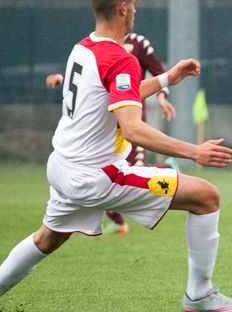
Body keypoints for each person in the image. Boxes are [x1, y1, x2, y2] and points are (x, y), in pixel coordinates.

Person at [0, 0, 232, 312]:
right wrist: (194, 151)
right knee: (206, 196)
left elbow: (114, 96)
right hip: (99, 175)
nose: (136, 13)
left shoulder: (83, 47)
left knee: (47, 238)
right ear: (123, 9)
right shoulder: (121, 58)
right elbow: (133, 128)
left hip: (63, 166)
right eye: (136, 6)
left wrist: (165, 79)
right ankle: (200, 295)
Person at [46, 32, 176, 234]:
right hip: (103, 121)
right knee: (104, 171)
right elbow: (86, 72)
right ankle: (118, 220)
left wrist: (161, 97)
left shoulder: (138, 43)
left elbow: (158, 69)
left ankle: (167, 168)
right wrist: (61, 77)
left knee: (132, 168)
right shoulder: (96, 44)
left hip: (130, 118)